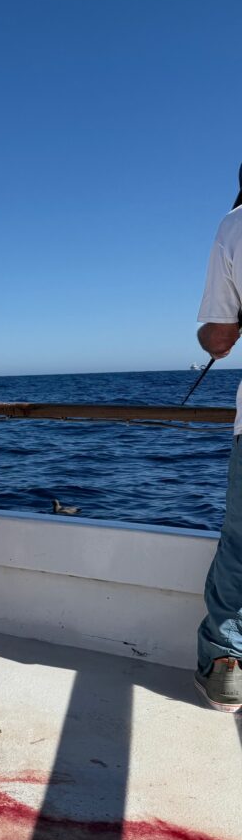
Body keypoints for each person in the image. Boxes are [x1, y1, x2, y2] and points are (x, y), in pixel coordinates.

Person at [193, 177, 242, 713]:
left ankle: (226, 661)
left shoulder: (236, 224)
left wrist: (212, 334)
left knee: (241, 546)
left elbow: (220, 337)